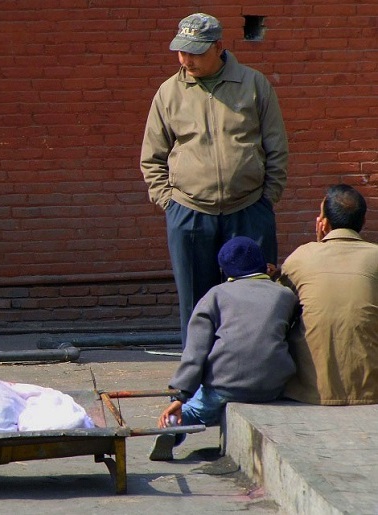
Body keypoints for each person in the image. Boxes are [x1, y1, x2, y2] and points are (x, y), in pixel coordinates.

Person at [140, 13, 289, 347]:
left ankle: (254, 367)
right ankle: (197, 377)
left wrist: (268, 196)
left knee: (256, 296)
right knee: (196, 302)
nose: (186, 59)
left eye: (195, 51)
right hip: (189, 211)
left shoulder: (253, 84)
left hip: (249, 209)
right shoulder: (169, 93)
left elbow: (276, 146)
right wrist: (169, 201)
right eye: (181, 51)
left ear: (219, 47)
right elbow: (152, 156)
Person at [149, 236, 298, 461]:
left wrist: (179, 396)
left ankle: (173, 428)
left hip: (224, 386)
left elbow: (195, 352)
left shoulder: (215, 295)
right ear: (263, 264)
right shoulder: (285, 296)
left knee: (194, 409)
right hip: (272, 387)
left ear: (226, 271)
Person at [279, 184, 378, 405]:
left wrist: (317, 243)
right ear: (362, 222)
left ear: (322, 223)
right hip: (371, 390)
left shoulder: (300, 257)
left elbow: (279, 309)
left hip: (310, 390)